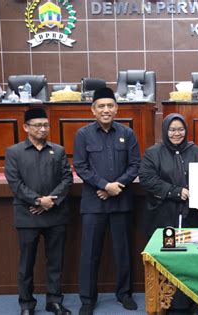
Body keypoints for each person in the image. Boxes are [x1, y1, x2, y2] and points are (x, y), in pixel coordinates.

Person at [73, 87, 141, 315]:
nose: (106, 110)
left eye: (110, 105)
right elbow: (80, 167)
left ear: (116, 108)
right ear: (93, 110)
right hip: (94, 204)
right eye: (101, 106)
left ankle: (124, 294)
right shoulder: (83, 134)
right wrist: (104, 186)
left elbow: (134, 165)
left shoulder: (127, 133)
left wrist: (115, 187)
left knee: (123, 251)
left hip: (120, 203)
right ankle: (87, 299)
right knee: (90, 253)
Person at [4, 108, 73, 315]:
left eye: (46, 125)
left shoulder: (58, 150)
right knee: (26, 263)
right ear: (26, 127)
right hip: (28, 215)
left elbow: (67, 179)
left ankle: (54, 301)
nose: (43, 129)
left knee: (55, 261)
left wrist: (50, 201)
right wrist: (37, 200)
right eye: (38, 125)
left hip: (55, 213)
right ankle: (26, 304)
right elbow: (15, 183)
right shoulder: (14, 152)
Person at [139, 113, 198, 314]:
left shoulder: (197, 151)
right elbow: (147, 179)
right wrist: (175, 191)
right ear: (165, 131)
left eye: (180, 129)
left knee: (191, 260)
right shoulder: (153, 153)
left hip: (191, 217)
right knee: (167, 259)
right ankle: (166, 303)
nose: (177, 133)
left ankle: (192, 302)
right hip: (164, 217)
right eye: (172, 129)